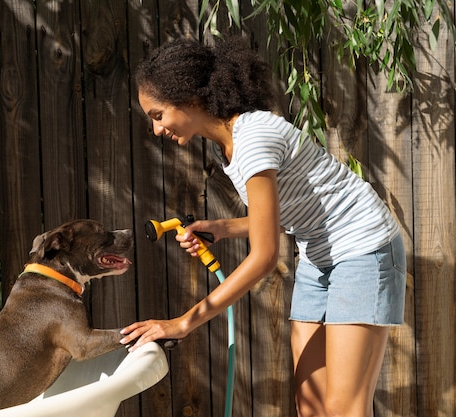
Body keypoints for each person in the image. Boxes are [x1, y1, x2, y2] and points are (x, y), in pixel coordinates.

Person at [119, 36, 406, 417]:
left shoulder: (253, 138)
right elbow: (284, 213)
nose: (157, 130)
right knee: (311, 405)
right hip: (319, 256)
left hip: (363, 249)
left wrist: (184, 323)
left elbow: (265, 256)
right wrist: (221, 228)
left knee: (343, 408)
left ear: (188, 99)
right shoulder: (229, 146)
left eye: (158, 115)